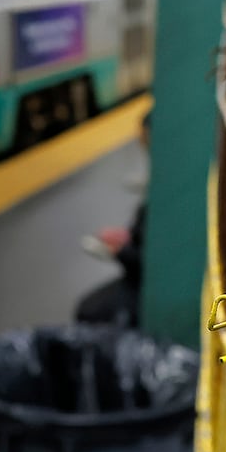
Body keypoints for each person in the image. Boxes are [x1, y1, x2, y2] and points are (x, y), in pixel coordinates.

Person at [75, 111, 151, 328]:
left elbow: (146, 260)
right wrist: (127, 238)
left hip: (141, 284)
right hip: (138, 275)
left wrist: (119, 250)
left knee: (88, 310)